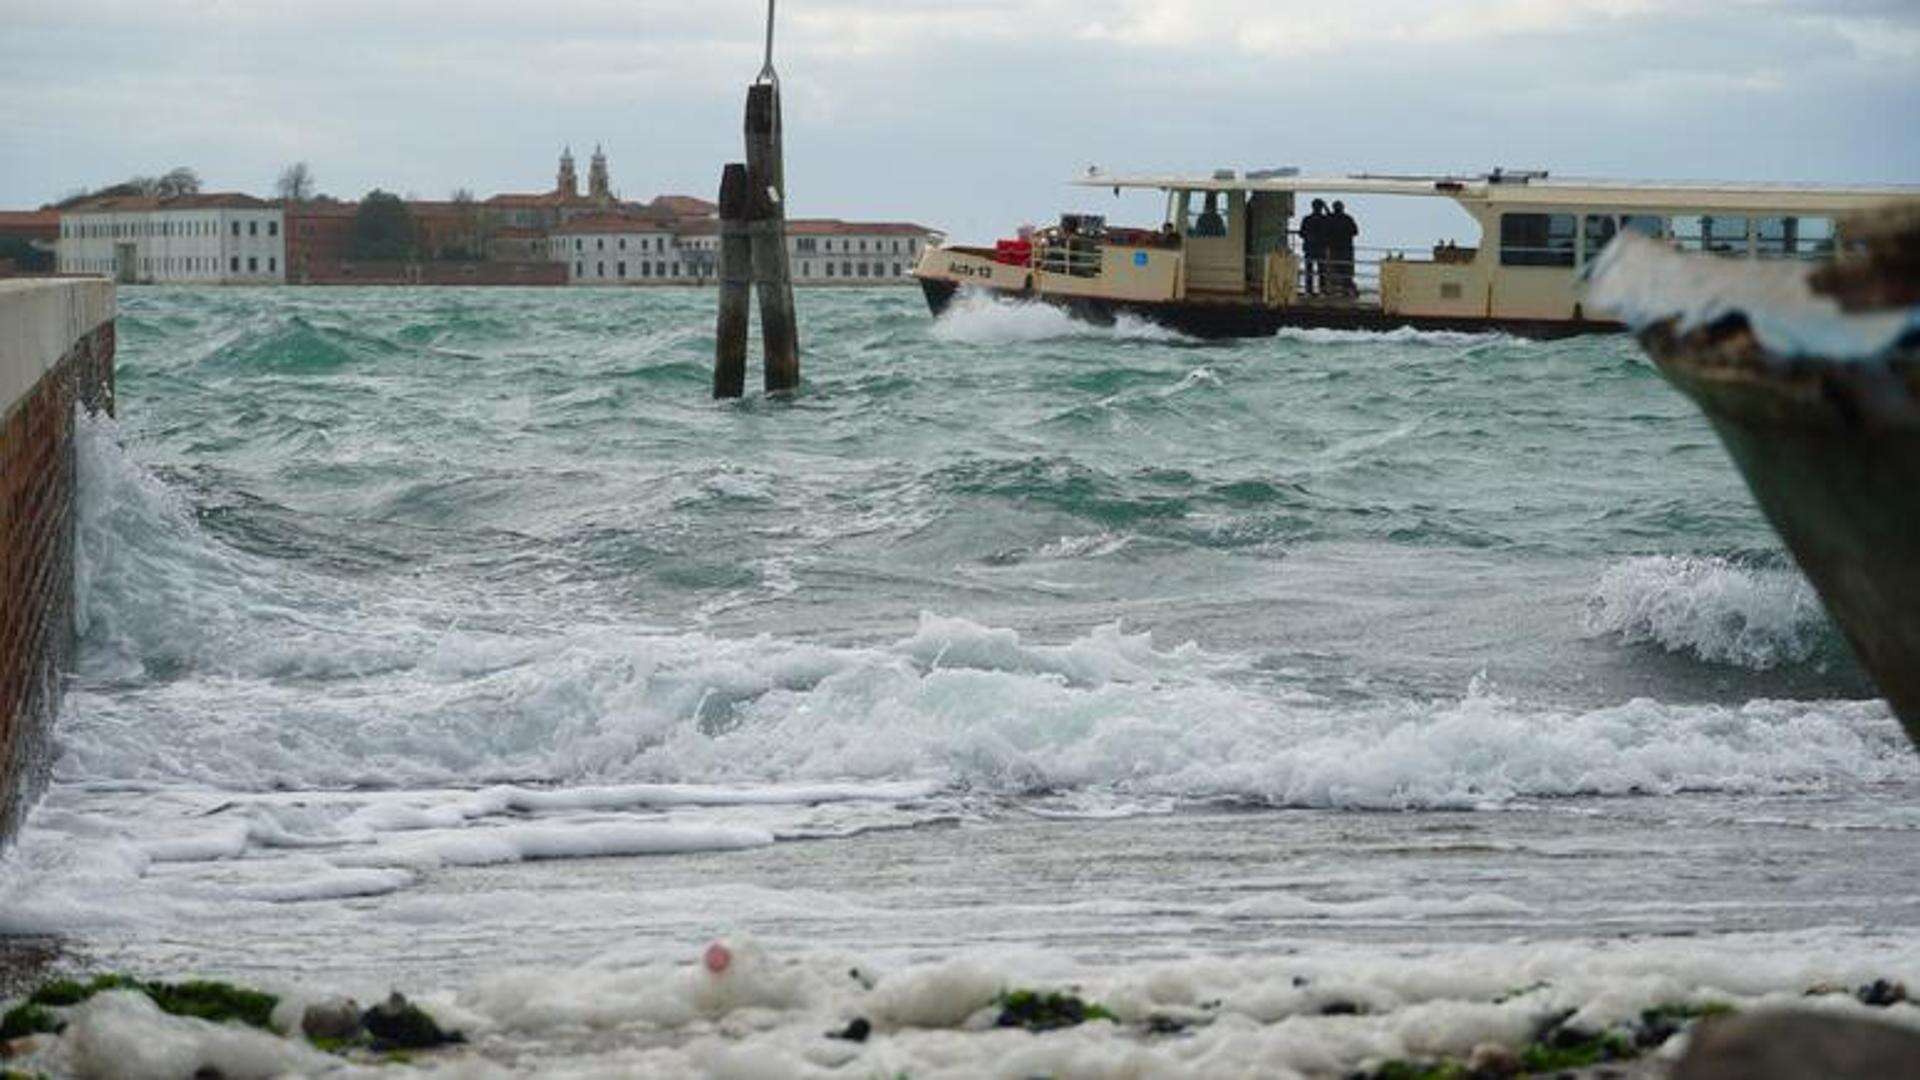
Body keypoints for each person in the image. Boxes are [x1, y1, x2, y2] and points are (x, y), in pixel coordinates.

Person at [1328, 200, 1360, 296]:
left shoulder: (1331, 219)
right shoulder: (1347, 219)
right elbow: (1355, 231)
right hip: (1345, 248)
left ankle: (1339, 289)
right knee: (1346, 270)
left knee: (1335, 269)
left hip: (1335, 248)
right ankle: (1347, 289)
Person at [1300, 199, 1329, 296]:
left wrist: (1309, 237)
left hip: (1309, 247)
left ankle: (1309, 290)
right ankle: (1323, 290)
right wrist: (1326, 208)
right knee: (1322, 271)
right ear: (1321, 208)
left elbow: (1302, 233)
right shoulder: (1325, 219)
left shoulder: (1307, 219)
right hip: (1321, 247)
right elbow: (1331, 220)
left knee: (1309, 270)